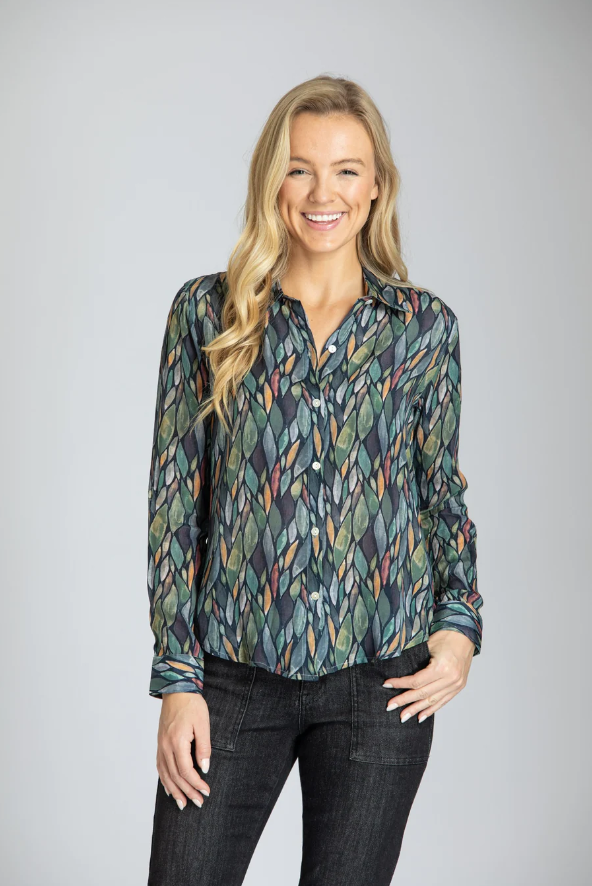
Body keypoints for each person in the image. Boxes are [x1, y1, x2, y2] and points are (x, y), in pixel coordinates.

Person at [146, 74, 484, 886]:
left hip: (380, 678)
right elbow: (174, 506)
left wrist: (459, 624)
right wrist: (179, 680)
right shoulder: (209, 315)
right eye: (300, 168)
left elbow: (440, 490)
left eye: (345, 170)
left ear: (376, 188)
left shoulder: (422, 330)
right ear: (273, 182)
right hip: (233, 673)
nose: (322, 192)